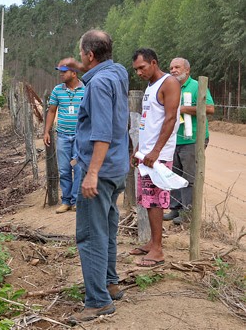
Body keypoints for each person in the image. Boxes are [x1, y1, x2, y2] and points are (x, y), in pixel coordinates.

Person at [59, 30, 129, 324]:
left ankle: (98, 301)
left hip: (99, 171)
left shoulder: (98, 84)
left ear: (90, 55)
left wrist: (91, 174)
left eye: (82, 53)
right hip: (117, 167)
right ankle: (110, 283)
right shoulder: (118, 71)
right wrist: (79, 65)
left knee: (89, 235)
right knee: (108, 227)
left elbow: (101, 133)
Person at [130, 48, 181, 267]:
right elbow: (148, 122)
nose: (139, 72)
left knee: (156, 201)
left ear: (153, 63)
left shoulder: (169, 83)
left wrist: (156, 152)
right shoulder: (150, 87)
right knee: (147, 200)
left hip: (158, 156)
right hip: (147, 154)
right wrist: (139, 148)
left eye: (142, 67)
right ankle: (152, 242)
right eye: (136, 70)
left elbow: (170, 119)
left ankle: (158, 250)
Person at [164, 57, 215, 224]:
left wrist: (182, 108)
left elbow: (210, 108)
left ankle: (188, 214)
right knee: (174, 175)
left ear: (187, 70)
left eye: (177, 67)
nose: (173, 70)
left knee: (188, 176)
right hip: (174, 139)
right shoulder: (170, 87)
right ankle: (175, 209)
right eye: (171, 68)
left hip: (193, 139)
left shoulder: (196, 86)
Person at [44, 64, 86, 214]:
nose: (61, 74)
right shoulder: (57, 90)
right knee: (64, 169)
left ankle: (76, 200)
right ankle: (66, 201)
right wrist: (46, 131)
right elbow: (51, 111)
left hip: (80, 137)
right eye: (60, 72)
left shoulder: (85, 89)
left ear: (74, 73)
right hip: (62, 136)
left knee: (79, 167)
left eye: (64, 72)